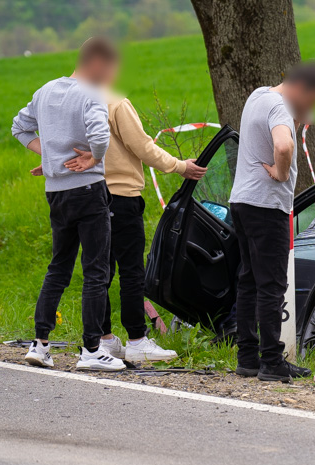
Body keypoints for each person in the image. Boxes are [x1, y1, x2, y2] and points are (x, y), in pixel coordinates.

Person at [62, 74, 208, 362]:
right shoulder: (115, 103)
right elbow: (143, 147)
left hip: (86, 195)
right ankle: (137, 341)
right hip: (121, 196)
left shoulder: (72, 106)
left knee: (98, 272)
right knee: (131, 272)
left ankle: (103, 340)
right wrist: (180, 166)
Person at [11, 37, 125, 372]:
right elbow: (100, 137)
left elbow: (19, 127)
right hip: (88, 190)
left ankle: (40, 344)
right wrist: (94, 158)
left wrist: (49, 157)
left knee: (59, 266)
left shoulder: (45, 90)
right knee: (96, 270)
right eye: (112, 68)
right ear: (98, 63)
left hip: (56, 191)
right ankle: (92, 350)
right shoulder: (91, 93)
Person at [230, 62, 315, 383]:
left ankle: (247, 357)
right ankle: (272, 362)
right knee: (271, 285)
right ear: (302, 89)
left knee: (248, 280)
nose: (311, 109)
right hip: (267, 206)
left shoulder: (259, 96)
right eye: (312, 101)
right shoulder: (280, 107)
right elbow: (284, 145)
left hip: (242, 202)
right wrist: (282, 171)